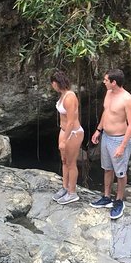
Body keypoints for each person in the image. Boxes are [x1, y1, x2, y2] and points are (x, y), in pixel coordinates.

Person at [90, 69, 131, 220]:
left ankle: (119, 201)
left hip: (119, 138)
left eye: (106, 80)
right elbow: (107, 112)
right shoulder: (109, 93)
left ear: (114, 82)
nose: (103, 82)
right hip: (106, 136)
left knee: (120, 172)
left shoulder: (127, 99)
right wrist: (98, 129)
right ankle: (106, 197)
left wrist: (122, 146)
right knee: (107, 168)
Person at [50, 71, 84, 205]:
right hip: (64, 130)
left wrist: (64, 140)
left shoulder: (70, 97)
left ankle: (72, 192)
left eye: (52, 84)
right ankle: (65, 187)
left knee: (71, 163)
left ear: (56, 83)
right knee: (64, 161)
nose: (52, 86)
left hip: (73, 132)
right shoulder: (62, 95)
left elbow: (71, 121)